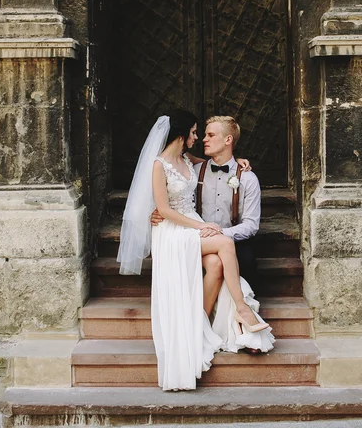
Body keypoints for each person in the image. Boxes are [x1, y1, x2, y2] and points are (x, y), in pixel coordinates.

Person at [117, 110, 274, 392]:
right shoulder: (158, 164)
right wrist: (197, 226)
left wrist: (237, 161)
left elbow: (217, 162)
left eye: (205, 134)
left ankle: (197, 325)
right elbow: (164, 209)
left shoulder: (191, 161)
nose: (198, 137)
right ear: (181, 134)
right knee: (224, 244)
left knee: (214, 263)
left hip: (193, 227)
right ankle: (242, 310)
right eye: (194, 132)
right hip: (174, 230)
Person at [152, 115, 260, 317]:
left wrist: (221, 232)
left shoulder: (247, 177)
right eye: (198, 133)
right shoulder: (194, 169)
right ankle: (235, 312)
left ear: (228, 140)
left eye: (210, 135)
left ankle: (242, 320)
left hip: (228, 234)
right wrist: (157, 211)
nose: (202, 139)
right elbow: (172, 194)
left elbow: (251, 226)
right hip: (193, 231)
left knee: (246, 260)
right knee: (220, 255)